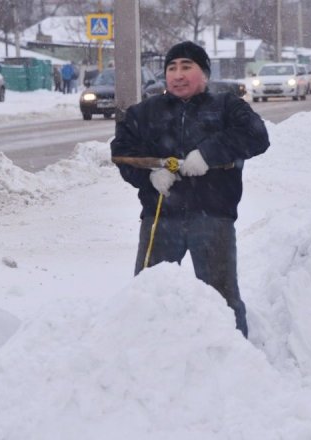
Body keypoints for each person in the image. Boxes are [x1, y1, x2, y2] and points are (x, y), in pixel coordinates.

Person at [110, 41, 270, 338]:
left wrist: (209, 154)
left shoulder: (225, 106)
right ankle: (142, 356)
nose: (178, 75)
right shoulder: (144, 113)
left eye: (187, 67)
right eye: (172, 68)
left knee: (221, 298)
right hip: (160, 218)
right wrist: (149, 178)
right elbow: (122, 152)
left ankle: (236, 360)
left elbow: (257, 137)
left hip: (213, 217)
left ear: (204, 75)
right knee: (147, 296)